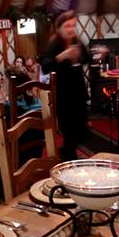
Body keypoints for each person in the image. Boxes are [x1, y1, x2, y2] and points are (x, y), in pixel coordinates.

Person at [39, 10, 90, 161]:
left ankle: (70, 156)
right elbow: (45, 65)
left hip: (78, 92)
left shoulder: (77, 41)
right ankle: (68, 160)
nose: (71, 29)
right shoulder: (55, 43)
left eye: (73, 25)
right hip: (64, 95)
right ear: (59, 28)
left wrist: (94, 55)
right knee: (69, 131)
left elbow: (86, 58)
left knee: (77, 131)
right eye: (67, 26)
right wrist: (62, 56)